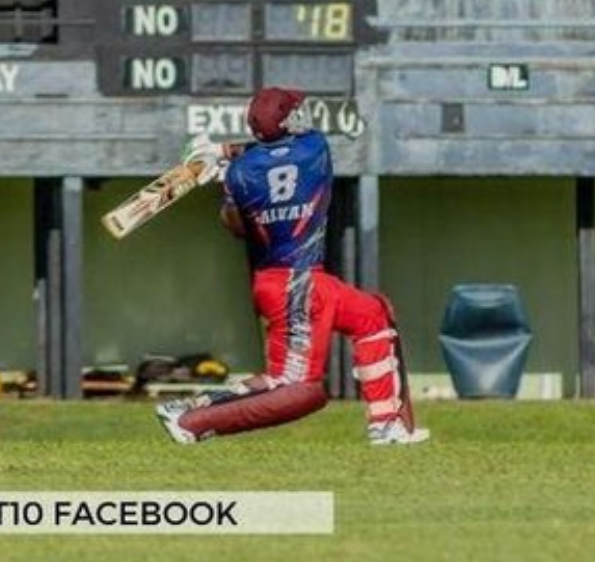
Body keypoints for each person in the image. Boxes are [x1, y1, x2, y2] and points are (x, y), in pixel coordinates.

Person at [155, 86, 429, 447]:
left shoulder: (240, 175)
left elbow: (235, 226)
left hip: (286, 279)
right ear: (288, 120)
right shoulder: (314, 147)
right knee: (299, 390)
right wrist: (224, 153)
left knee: (372, 314)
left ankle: (387, 424)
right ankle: (192, 422)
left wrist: (218, 163)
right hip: (295, 286)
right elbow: (277, 150)